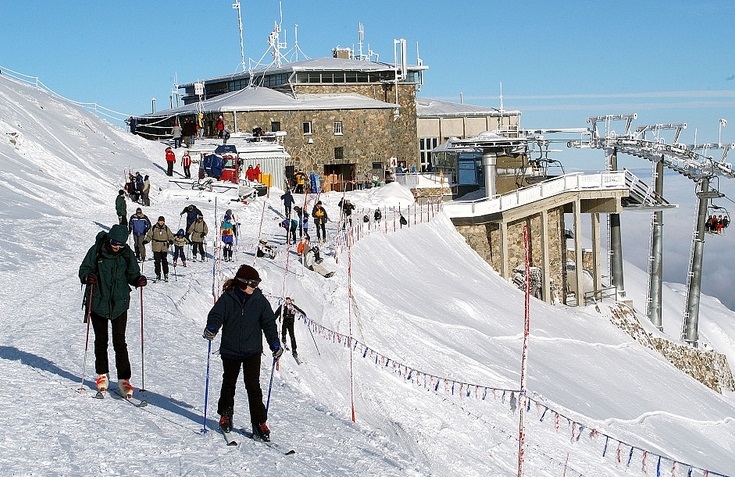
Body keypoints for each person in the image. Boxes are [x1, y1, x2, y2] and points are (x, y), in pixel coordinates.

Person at [202, 265, 283, 441]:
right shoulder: (228, 298)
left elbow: (269, 323)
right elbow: (216, 315)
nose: (255, 287)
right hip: (230, 349)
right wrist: (212, 328)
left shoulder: (260, 301)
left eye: (257, 284)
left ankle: (259, 422)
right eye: (252, 284)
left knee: (253, 386)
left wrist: (274, 344)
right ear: (242, 282)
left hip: (252, 350)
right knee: (229, 383)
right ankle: (225, 414)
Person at [78, 224, 147, 397]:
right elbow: (84, 269)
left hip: (119, 303)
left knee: (119, 341)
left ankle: (124, 379)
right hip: (98, 302)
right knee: (101, 340)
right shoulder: (97, 250)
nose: (117, 247)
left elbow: (132, 274)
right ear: (109, 239)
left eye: (121, 244)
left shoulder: (126, 254)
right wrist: (88, 277)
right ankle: (102, 374)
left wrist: (138, 279)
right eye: (115, 243)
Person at [144, 216, 174, 281]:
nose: (161, 222)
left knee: (164, 261)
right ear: (158, 221)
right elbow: (149, 235)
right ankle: (158, 274)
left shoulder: (166, 228)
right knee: (157, 262)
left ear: (164, 221)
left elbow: (171, 236)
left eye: (162, 221)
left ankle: (166, 274)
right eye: (160, 221)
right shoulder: (154, 228)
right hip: (156, 247)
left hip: (164, 247)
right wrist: (146, 240)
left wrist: (171, 240)